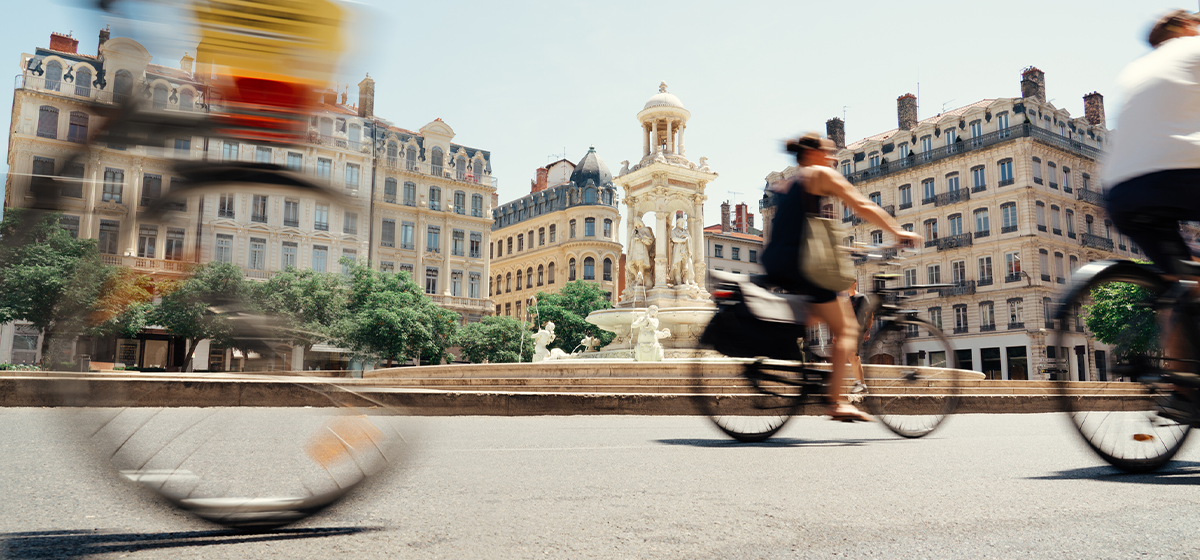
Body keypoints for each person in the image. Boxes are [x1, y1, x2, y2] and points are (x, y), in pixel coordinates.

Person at [762, 133, 922, 422]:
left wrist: (849, 248)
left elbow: (806, 230)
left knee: (818, 317)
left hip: (779, 262)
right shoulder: (819, 173)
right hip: (801, 267)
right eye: (828, 152)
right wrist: (898, 232)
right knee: (847, 330)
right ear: (813, 155)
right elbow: (862, 205)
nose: (832, 159)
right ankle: (835, 402)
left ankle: (809, 374)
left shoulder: (791, 183)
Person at [1103, 9, 1200, 419]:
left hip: (1120, 191)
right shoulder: (1193, 48)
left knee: (1181, 281)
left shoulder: (1138, 70)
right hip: (1175, 173)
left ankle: (1182, 391)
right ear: (1184, 28)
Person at [847, 281, 872, 394]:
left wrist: (868, 330)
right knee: (853, 358)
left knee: (853, 356)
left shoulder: (862, 297)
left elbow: (870, 315)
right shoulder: (846, 300)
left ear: (854, 283)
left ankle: (859, 383)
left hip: (858, 330)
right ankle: (862, 385)